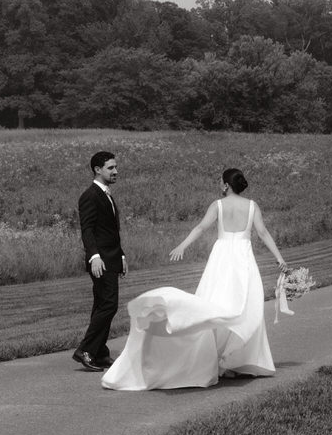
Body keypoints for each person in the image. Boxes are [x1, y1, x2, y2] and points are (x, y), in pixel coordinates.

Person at [101, 167, 288, 391]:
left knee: (216, 303)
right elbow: (263, 232)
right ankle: (236, 360)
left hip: (221, 259)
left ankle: (220, 358)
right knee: (244, 306)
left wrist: (182, 245)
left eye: (220, 181)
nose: (219, 184)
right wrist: (279, 258)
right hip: (243, 260)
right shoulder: (252, 206)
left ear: (226, 185)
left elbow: (200, 228)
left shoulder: (217, 205)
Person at [72, 150, 126, 372]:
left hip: (111, 258)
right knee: (108, 305)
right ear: (97, 169)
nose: (116, 171)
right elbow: (88, 229)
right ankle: (85, 350)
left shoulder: (106, 194)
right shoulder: (90, 195)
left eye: (115, 167)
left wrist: (121, 255)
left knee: (102, 305)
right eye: (110, 168)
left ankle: (100, 352)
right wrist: (94, 256)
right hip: (100, 260)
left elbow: (110, 231)